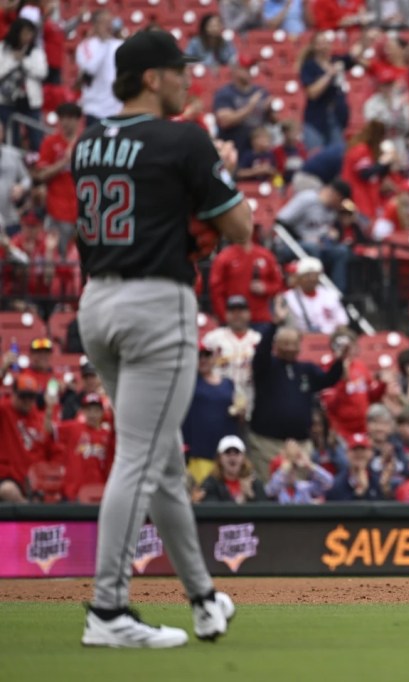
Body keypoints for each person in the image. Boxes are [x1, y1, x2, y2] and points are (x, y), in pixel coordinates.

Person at [71, 30, 247, 647]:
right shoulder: (182, 137)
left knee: (164, 463)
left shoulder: (88, 140)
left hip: (97, 301)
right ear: (151, 77)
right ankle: (108, 609)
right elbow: (240, 227)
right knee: (141, 460)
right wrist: (218, 164)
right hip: (154, 302)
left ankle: (203, 599)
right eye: (177, 71)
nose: (184, 80)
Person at [249, 298, 345, 482]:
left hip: (301, 444)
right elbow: (260, 354)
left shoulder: (306, 369)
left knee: (300, 492)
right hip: (267, 443)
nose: (290, 348)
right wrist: (274, 325)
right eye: (285, 343)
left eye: (294, 344)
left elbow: (328, 380)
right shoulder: (267, 367)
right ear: (276, 346)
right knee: (270, 487)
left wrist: (339, 361)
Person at [275, 179, 355, 292]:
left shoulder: (332, 211)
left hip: (316, 247)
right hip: (291, 245)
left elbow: (322, 231)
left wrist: (333, 235)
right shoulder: (307, 199)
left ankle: (337, 295)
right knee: (312, 247)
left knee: (342, 251)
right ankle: (317, 291)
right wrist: (304, 239)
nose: (341, 205)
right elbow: (280, 222)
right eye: (341, 201)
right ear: (336, 196)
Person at [182, 344, 240, 486]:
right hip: (198, 452)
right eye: (198, 356)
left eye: (206, 355)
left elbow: (237, 409)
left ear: (214, 358)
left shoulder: (228, 383)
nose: (202, 360)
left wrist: (240, 411)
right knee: (201, 492)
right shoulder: (187, 381)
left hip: (225, 452)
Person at [0, 375, 57, 502]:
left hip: (33, 479)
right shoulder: (4, 410)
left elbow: (48, 447)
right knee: (8, 491)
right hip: (7, 476)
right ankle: (29, 511)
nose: (27, 401)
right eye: (23, 396)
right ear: (13, 394)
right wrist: (3, 370)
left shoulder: (40, 418)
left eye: (31, 397)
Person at [33, 101, 81, 254]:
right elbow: (40, 175)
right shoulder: (50, 142)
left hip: (82, 211)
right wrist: (64, 162)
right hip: (58, 211)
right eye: (62, 118)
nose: (65, 122)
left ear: (78, 120)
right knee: (58, 258)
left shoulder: (85, 141)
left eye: (69, 118)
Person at [299, 32, 351, 151]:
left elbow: (355, 55)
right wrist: (330, 74)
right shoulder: (309, 66)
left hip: (336, 119)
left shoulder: (336, 60)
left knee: (338, 156)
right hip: (316, 120)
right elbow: (312, 93)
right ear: (313, 46)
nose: (324, 46)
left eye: (326, 42)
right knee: (316, 156)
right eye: (320, 43)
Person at [0, 17, 46, 148]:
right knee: (10, 139)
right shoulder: (3, 49)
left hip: (30, 100)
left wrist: (23, 61)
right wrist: (13, 61)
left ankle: (38, 162)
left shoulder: (36, 51)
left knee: (36, 135)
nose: (28, 37)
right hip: (7, 100)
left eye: (31, 33)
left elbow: (42, 72)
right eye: (25, 33)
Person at [213, 56, 271, 158]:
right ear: (235, 70)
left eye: (250, 68)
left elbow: (273, 121)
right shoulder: (225, 93)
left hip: (256, 153)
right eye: (244, 69)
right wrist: (250, 107)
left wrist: (269, 109)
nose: (248, 72)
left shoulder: (260, 91)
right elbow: (224, 121)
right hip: (234, 149)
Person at [74, 10, 122, 127]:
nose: (107, 26)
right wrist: (104, 44)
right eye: (103, 22)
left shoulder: (120, 45)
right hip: (95, 109)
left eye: (109, 22)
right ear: (95, 25)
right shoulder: (85, 46)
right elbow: (90, 69)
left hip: (117, 109)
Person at [283, 257, 350, 335]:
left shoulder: (330, 294)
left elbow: (342, 322)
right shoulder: (289, 297)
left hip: (330, 339)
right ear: (299, 277)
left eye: (315, 275)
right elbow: (288, 327)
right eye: (307, 275)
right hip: (302, 339)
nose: (311, 279)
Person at [197, 435, 268, 503]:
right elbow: (213, 510)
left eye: (237, 452)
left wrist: (250, 495)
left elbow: (265, 510)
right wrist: (241, 499)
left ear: (243, 457)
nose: (232, 457)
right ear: (219, 458)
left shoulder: (254, 483)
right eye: (227, 452)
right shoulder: (211, 484)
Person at [266, 438, 335, 503]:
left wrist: (309, 465)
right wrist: (284, 469)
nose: (292, 472)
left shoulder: (302, 487)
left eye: (294, 469)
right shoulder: (275, 490)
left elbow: (329, 482)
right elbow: (271, 490)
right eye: (289, 470)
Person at [325, 432, 386, 501]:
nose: (359, 453)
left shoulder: (379, 481)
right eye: (354, 449)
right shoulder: (335, 484)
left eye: (363, 449)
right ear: (347, 453)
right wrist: (360, 492)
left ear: (370, 453)